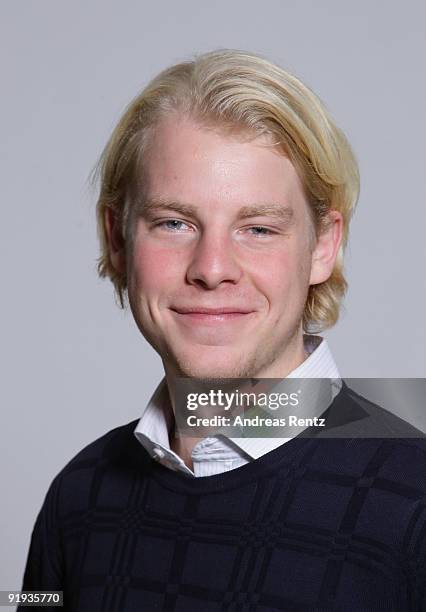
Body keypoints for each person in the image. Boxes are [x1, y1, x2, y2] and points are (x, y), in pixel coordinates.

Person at [19, 49, 425, 611]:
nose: (212, 268)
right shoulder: (77, 498)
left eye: (257, 228)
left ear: (323, 246)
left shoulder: (414, 502)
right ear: (117, 239)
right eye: (174, 223)